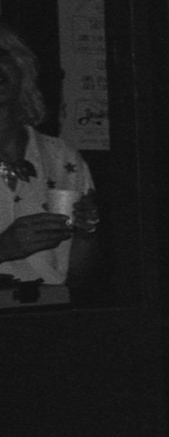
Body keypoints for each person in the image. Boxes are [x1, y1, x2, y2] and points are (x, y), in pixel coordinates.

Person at [0, 24, 97, 305]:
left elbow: (79, 277)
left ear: (20, 66)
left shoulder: (61, 157)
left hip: (48, 316)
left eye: (1, 53)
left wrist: (86, 232)